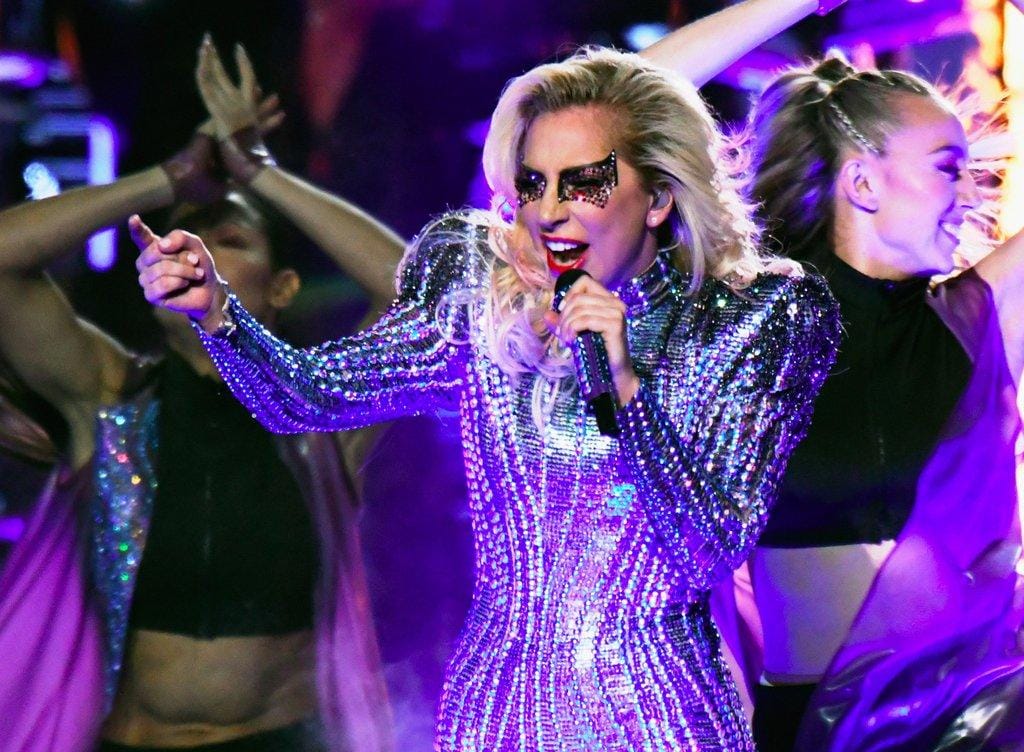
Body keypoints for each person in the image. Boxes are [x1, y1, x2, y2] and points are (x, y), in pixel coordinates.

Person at [135, 46, 840, 751]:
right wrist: (218, 313)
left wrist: (623, 384)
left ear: (658, 198)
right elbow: (307, 398)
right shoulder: (483, 302)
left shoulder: (741, 323)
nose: (550, 212)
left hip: (659, 717)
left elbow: (703, 550)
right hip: (498, 713)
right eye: (534, 184)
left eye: (585, 184)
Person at [0, 44, 405, 751]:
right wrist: (167, 179)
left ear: (282, 288)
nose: (199, 251)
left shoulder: (325, 410)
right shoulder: (110, 394)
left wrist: (261, 173)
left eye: (230, 238)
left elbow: (412, 291)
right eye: (183, 233)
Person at [724, 53, 1024, 751]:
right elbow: (588, 111)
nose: (972, 192)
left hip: (982, 714)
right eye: (948, 168)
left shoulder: (973, 322)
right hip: (809, 729)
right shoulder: (748, 336)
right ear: (861, 182)